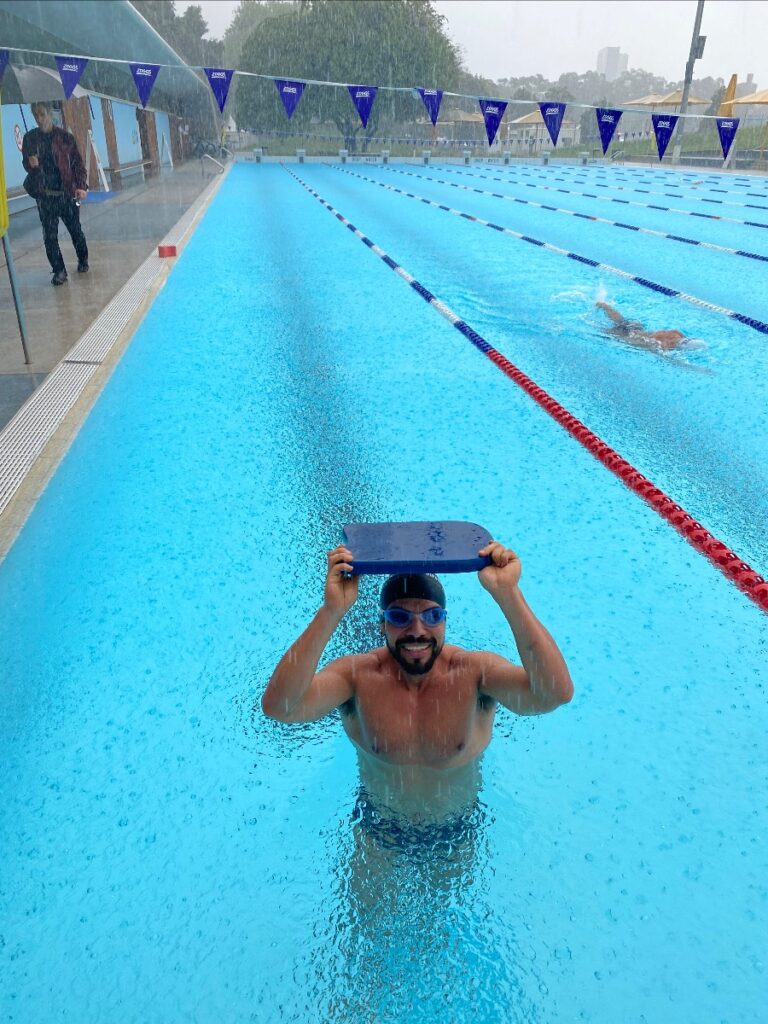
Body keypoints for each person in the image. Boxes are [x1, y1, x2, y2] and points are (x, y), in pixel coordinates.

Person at [262, 541, 573, 821]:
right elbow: (280, 708)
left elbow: (554, 694)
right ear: (382, 624)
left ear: (445, 621)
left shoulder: (473, 674)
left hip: (455, 827)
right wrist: (332, 610)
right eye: (399, 618)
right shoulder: (357, 677)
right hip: (378, 826)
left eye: (432, 617)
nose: (417, 631)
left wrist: (509, 594)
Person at [22, 102, 89, 286]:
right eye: (35, 115)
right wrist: (31, 164)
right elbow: (26, 164)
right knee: (49, 236)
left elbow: (78, 164)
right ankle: (59, 270)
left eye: (42, 114)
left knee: (75, 230)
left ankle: (83, 259)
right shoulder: (30, 139)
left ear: (50, 114)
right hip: (45, 196)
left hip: (66, 193)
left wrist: (81, 186)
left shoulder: (65, 138)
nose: (39, 118)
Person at [596, 300, 688, 351]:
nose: (663, 330)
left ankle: (605, 306)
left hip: (632, 330)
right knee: (619, 322)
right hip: (630, 332)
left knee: (620, 320)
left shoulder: (670, 336)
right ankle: (605, 306)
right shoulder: (653, 344)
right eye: (664, 331)